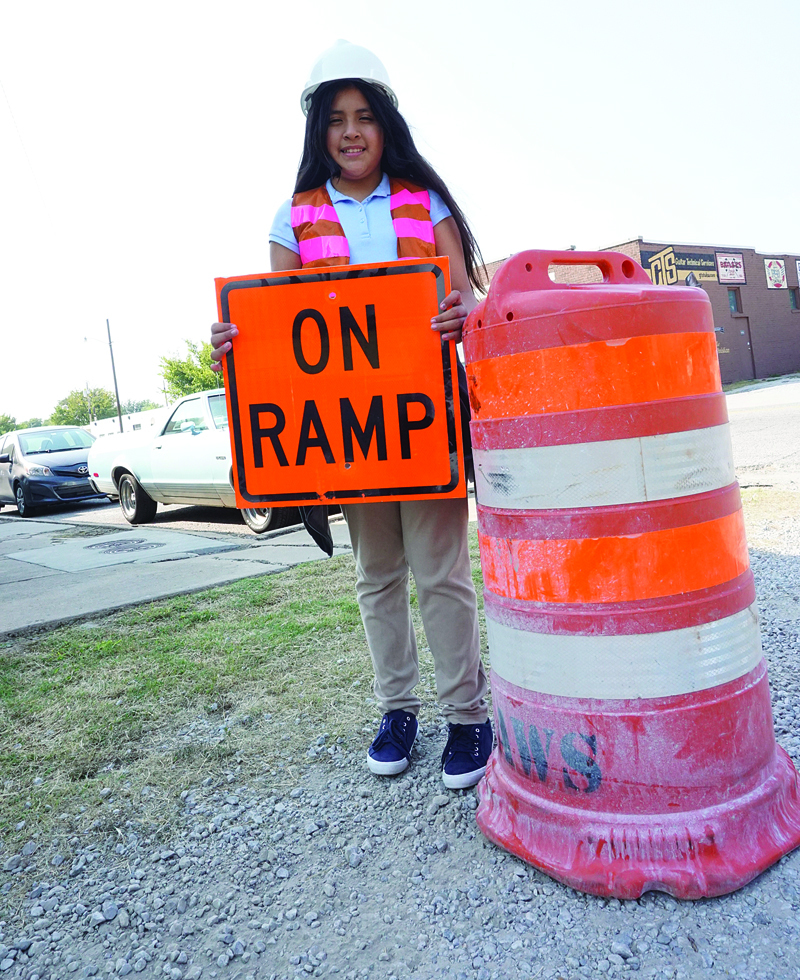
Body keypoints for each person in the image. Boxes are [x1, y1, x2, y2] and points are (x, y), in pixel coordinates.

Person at [211, 41, 492, 790]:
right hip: (349, 440)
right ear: (317, 131)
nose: (351, 132)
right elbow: (275, 330)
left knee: (441, 574)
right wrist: (235, 346)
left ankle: (468, 714)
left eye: (365, 117)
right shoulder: (290, 218)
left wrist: (458, 318)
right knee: (376, 575)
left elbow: (464, 301)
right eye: (336, 120)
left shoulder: (426, 203)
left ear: (386, 124)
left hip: (426, 425)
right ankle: (397, 710)